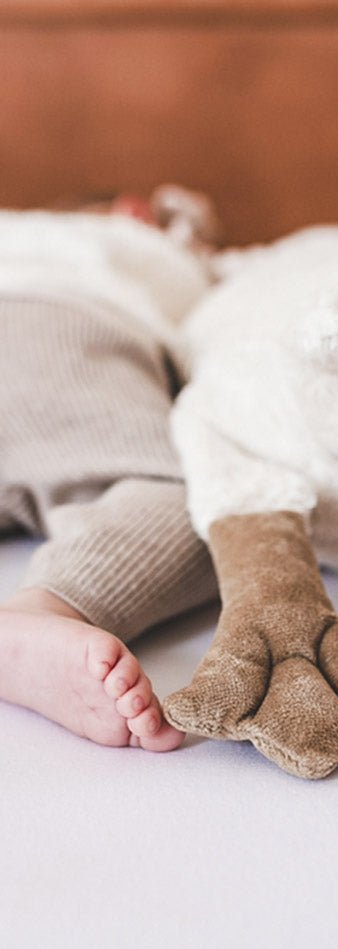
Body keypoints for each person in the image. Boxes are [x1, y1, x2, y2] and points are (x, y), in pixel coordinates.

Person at [0, 188, 220, 751]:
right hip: (59, 329)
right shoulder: (119, 248)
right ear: (134, 211)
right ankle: (42, 611)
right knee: (203, 501)